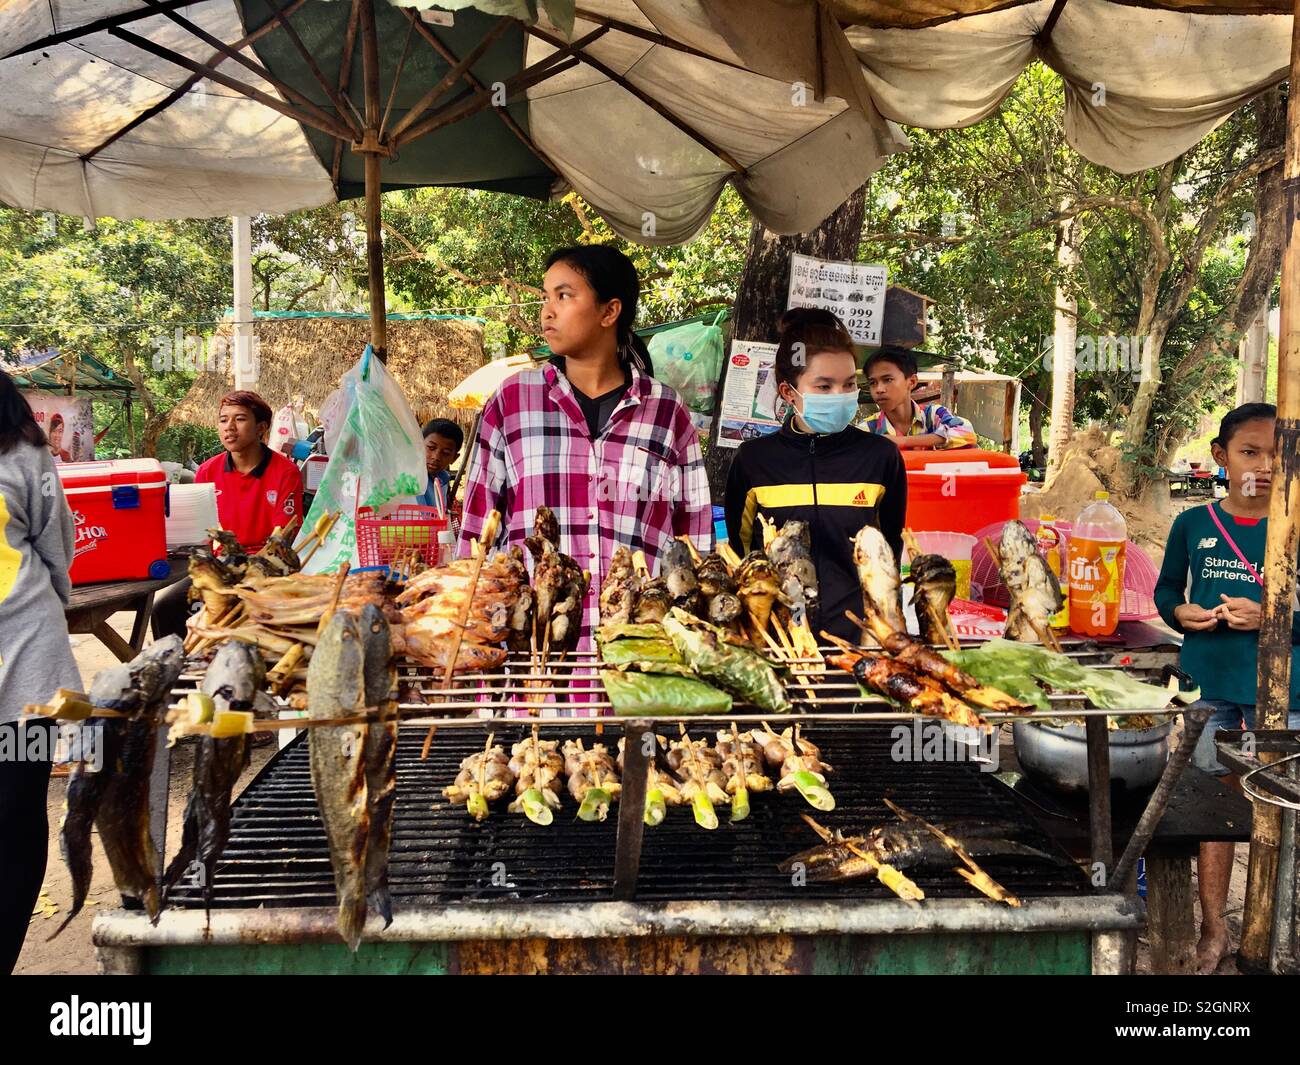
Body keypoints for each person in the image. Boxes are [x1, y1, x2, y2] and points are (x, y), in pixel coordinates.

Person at [459, 245, 711, 660]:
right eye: (545, 297)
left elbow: (693, 535)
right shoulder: (513, 401)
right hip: (533, 657)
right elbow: (478, 530)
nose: (547, 311)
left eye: (563, 295)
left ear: (609, 312)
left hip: (641, 657)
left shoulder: (667, 411)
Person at [1154, 401, 1300, 974]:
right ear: (1220, 455)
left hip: (1283, 696)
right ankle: (1214, 929)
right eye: (1249, 452)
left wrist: (1274, 619)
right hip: (1209, 688)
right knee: (1209, 814)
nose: (1263, 466)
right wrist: (1179, 613)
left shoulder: (1295, 526)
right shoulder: (1193, 525)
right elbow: (1167, 591)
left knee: (1283, 814)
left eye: (1277, 455)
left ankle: (1278, 928)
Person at [725, 308, 907, 644]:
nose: (839, 395)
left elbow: (889, 550)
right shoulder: (753, 462)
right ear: (788, 392)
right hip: (775, 645)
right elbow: (740, 554)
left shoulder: (880, 457)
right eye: (824, 386)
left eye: (849, 384)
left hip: (861, 643)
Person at [0, 373, 81, 973]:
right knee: (14, 812)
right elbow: (56, 546)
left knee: (15, 810)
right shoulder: (27, 454)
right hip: (29, 647)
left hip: (26, 661)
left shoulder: (25, 453)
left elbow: (54, 542)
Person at [153, 390, 303, 640]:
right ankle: (181, 678)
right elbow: (201, 533)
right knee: (164, 609)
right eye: (223, 420)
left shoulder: (285, 472)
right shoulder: (207, 471)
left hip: (268, 569)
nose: (229, 427)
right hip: (221, 565)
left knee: (252, 623)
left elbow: (283, 538)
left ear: (261, 428)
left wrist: (251, 573)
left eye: (240, 419)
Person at [860, 346, 977, 449]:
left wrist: (903, 442)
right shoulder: (867, 429)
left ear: (911, 382)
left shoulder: (933, 415)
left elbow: (967, 432)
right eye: (872, 383)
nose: (879, 389)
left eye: (888, 380)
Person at [416, 418, 463, 509]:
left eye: (445, 453)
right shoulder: (407, 477)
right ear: (419, 445)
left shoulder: (443, 480)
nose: (436, 457)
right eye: (431, 447)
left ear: (454, 458)